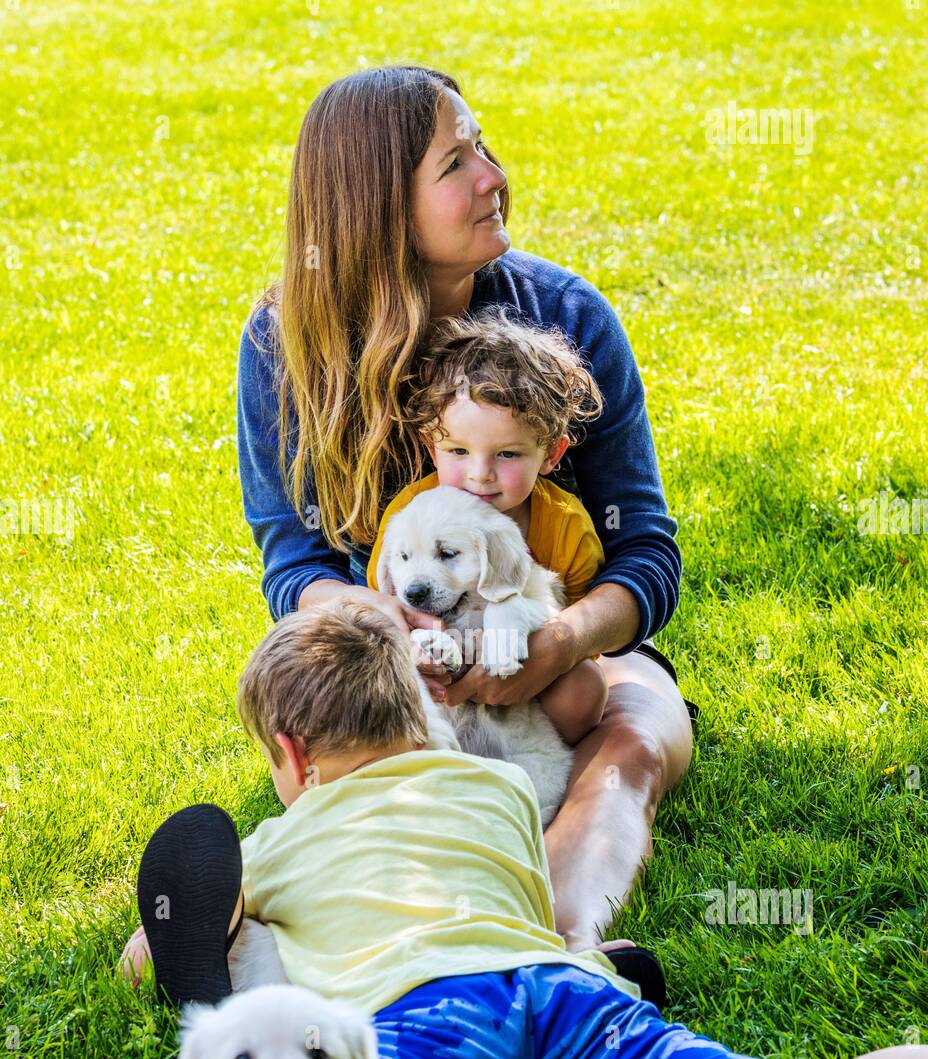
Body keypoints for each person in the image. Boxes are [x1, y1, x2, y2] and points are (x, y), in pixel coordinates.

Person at [123, 604, 928, 1059]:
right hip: (559, 987)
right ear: (420, 713)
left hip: (423, 1014)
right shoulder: (499, 789)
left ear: (291, 755)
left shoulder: (276, 840)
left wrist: (221, 926)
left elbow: (151, 953)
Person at [237, 63, 695, 954]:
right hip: (388, 663)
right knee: (363, 772)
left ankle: (569, 942)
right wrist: (399, 635)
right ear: (378, 209)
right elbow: (297, 570)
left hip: (558, 652)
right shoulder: (284, 346)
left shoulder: (565, 322)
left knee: (633, 735)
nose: (493, 175)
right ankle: (224, 927)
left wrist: (559, 641)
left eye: (481, 145)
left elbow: (645, 552)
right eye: (456, 164)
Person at [365, 305, 613, 750]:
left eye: (508, 454)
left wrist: (508, 624)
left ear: (552, 456)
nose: (480, 474)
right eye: (459, 451)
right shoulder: (409, 515)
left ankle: (539, 769)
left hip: (527, 683)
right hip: (435, 680)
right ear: (432, 446)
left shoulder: (566, 525)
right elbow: (389, 607)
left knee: (584, 689)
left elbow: (573, 631)